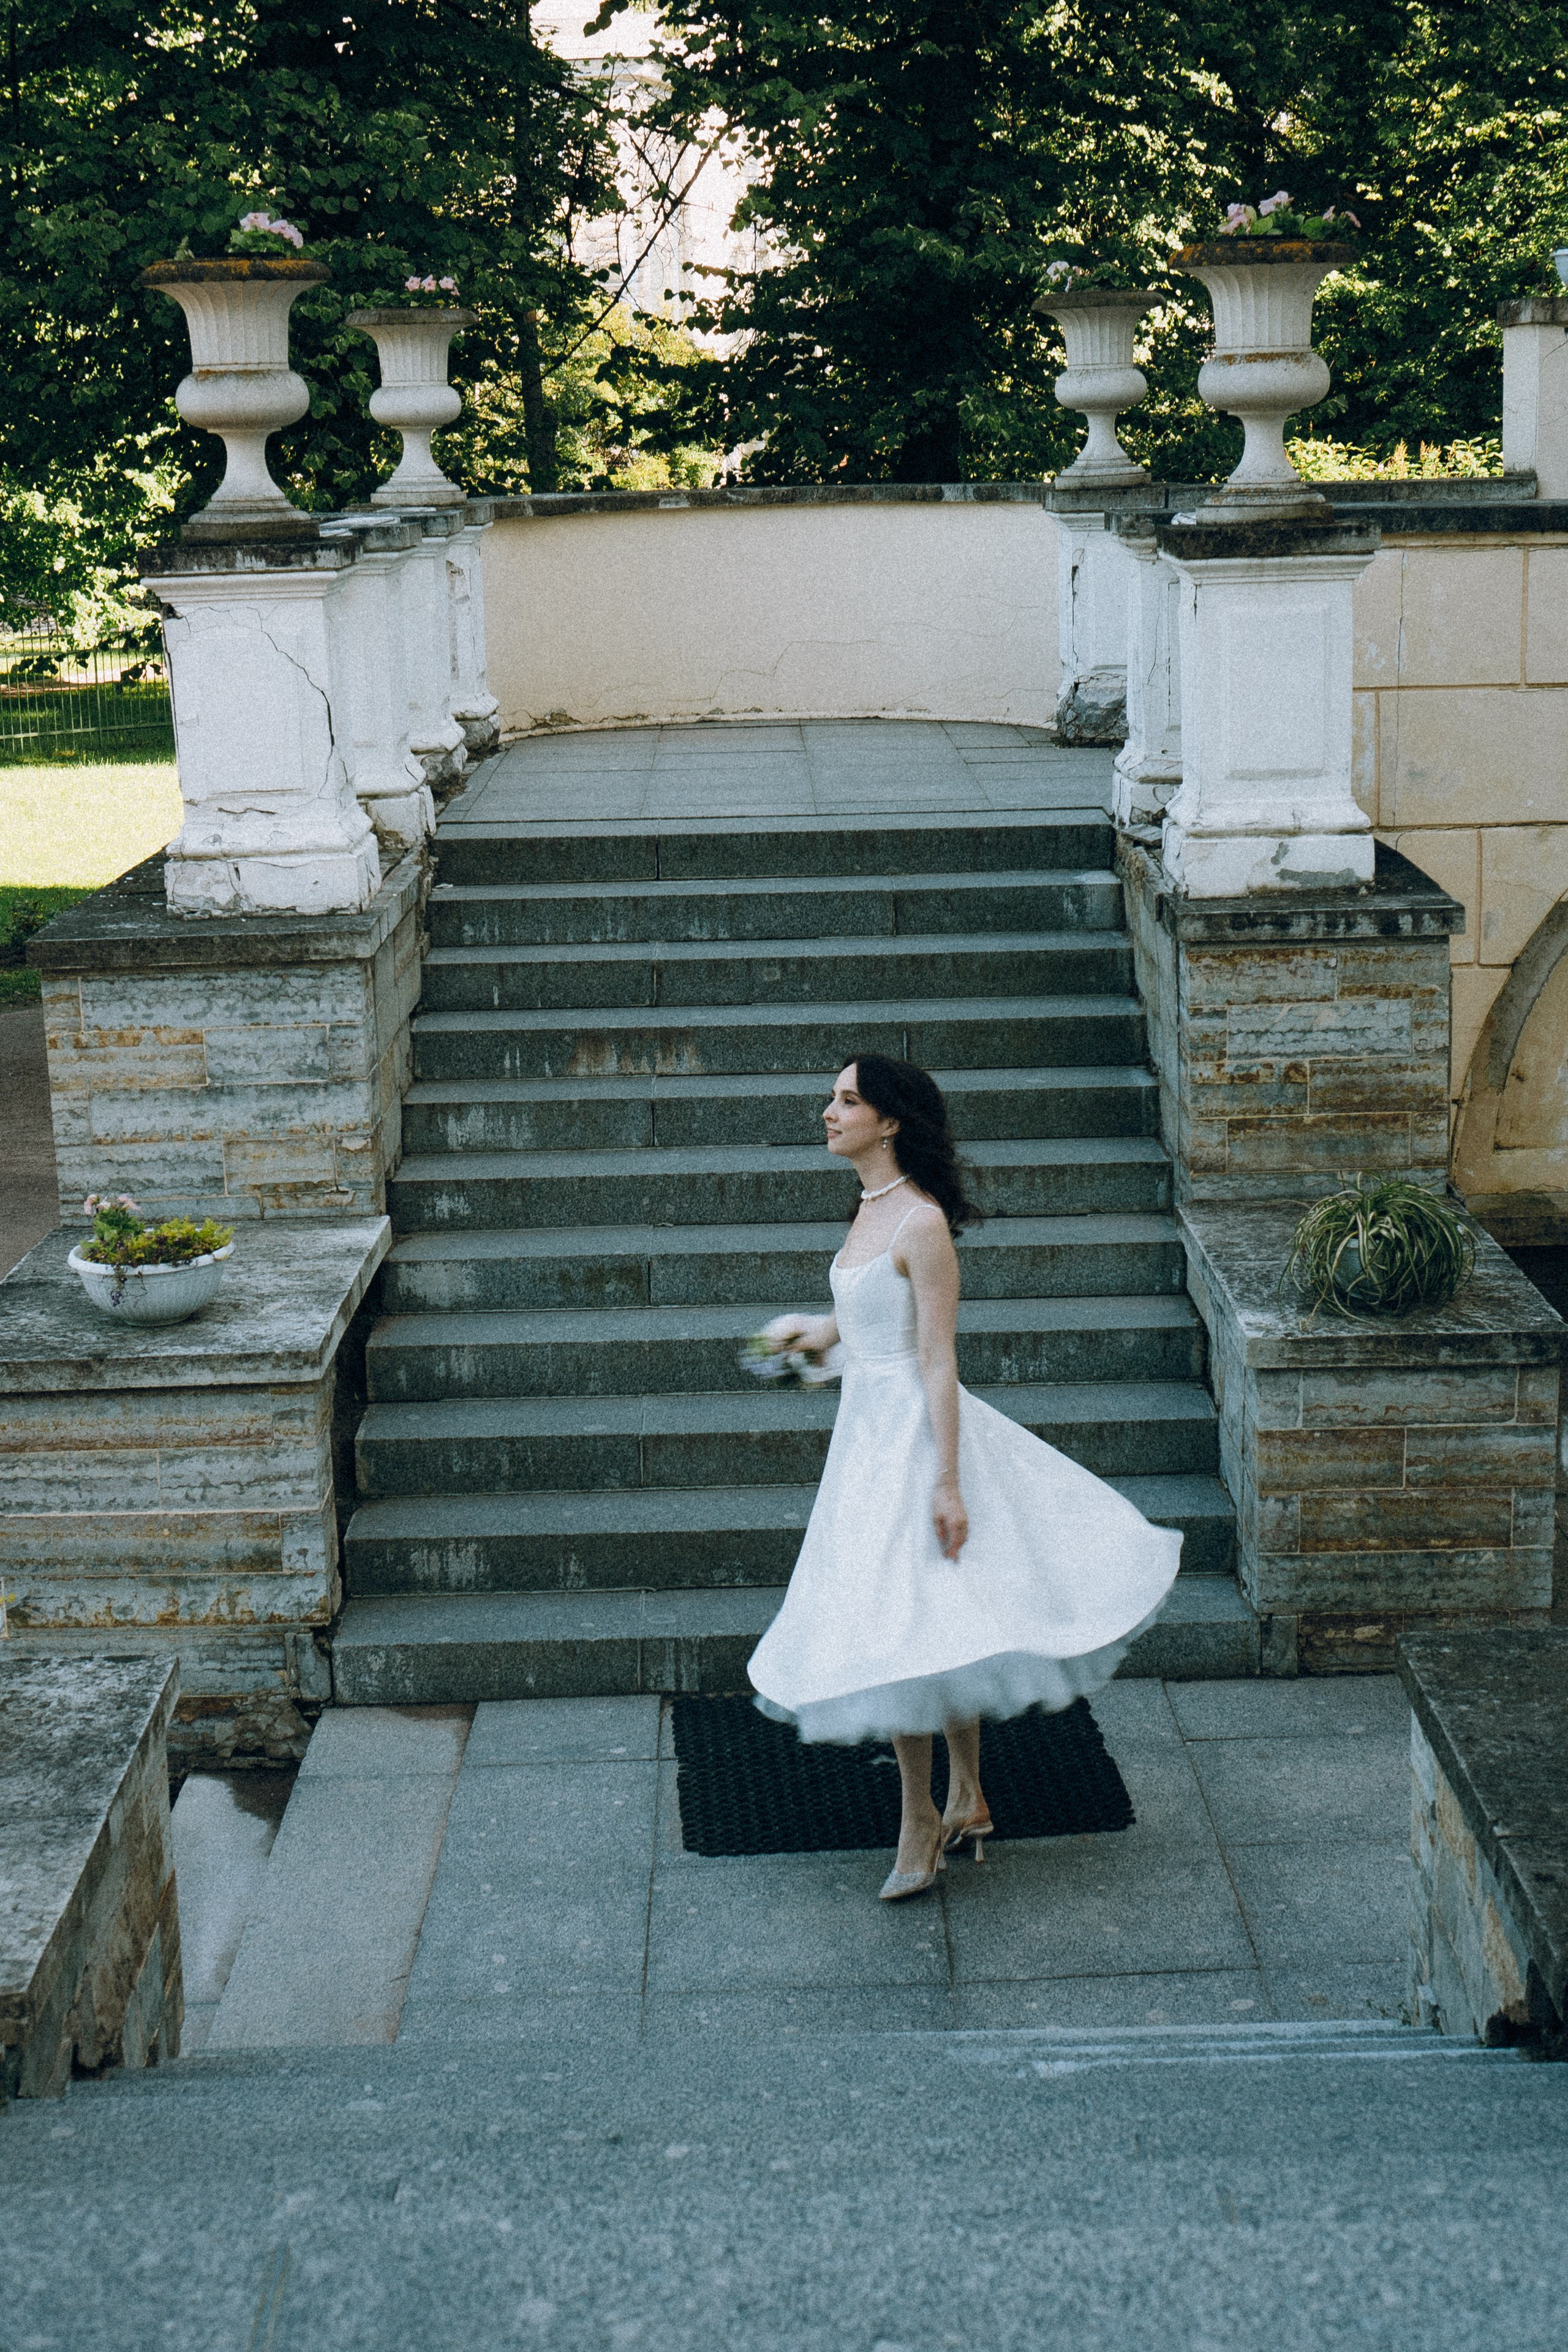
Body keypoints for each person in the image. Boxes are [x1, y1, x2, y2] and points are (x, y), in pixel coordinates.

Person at [747, 1054, 1182, 1902]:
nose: (826, 1114)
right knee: (935, 1616)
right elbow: (874, 1315)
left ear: (890, 1121)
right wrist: (817, 1332)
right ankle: (968, 1796)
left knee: (905, 1624)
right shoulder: (870, 1208)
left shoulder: (922, 1223)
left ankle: (920, 1823)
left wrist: (947, 1482)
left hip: (914, 1439)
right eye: (833, 1100)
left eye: (845, 1102)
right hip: (868, 1437)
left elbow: (937, 1356)